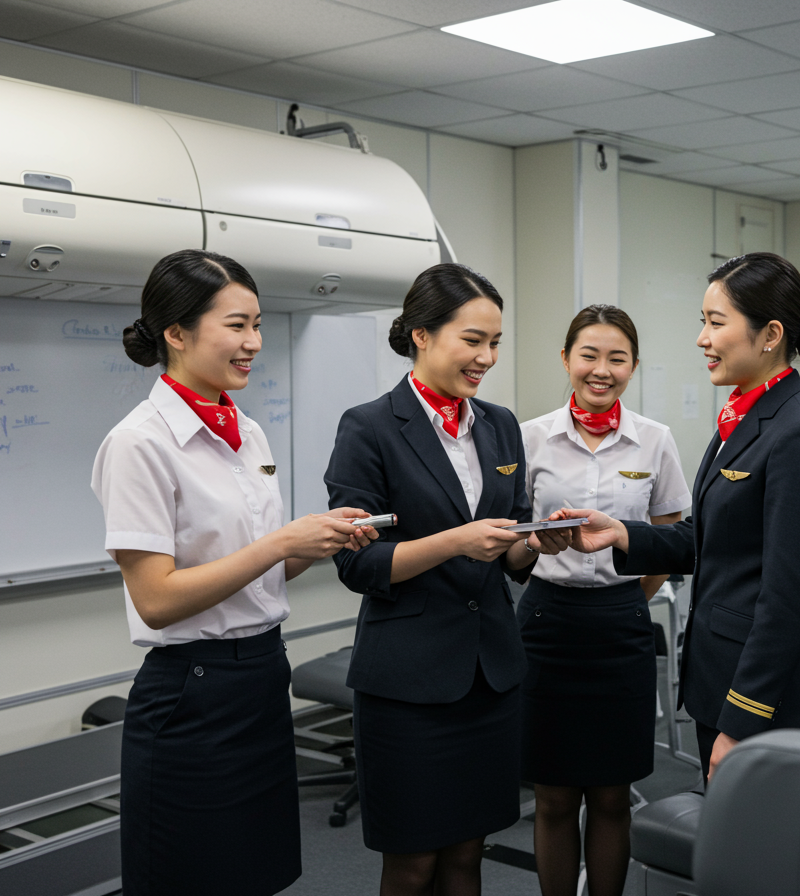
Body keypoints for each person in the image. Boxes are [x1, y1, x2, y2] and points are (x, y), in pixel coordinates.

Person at [91, 249, 375, 896]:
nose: (253, 343)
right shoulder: (139, 443)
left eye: (258, 325)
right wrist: (279, 544)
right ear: (177, 333)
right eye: (237, 326)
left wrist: (316, 545)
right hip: (191, 693)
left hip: (260, 677)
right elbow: (157, 600)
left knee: (255, 874)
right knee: (191, 879)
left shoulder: (245, 430)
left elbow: (251, 573)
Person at [324, 263, 572, 896]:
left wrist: (534, 543)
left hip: (489, 675)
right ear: (421, 335)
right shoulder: (369, 427)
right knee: (411, 863)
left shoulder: (498, 424)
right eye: (472, 340)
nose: (486, 357)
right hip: (408, 681)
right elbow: (358, 563)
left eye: (494, 343)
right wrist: (455, 542)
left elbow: (508, 548)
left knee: (467, 853)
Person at [559, 252, 800, 781]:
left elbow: (789, 597)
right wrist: (623, 534)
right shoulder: (746, 413)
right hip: (723, 678)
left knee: (757, 858)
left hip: (762, 702)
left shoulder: (798, 432)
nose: (702, 339)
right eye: (703, 323)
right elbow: (713, 539)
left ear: (770, 334)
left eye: (716, 323)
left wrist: (741, 721)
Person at [519, 305, 691, 896]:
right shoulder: (530, 437)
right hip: (546, 621)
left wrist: (627, 597)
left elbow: (670, 537)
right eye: (588, 355)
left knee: (613, 795)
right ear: (565, 359)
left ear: (633, 367)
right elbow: (515, 537)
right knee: (553, 795)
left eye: (617, 358)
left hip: (621, 624)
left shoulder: (655, 440)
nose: (601, 370)